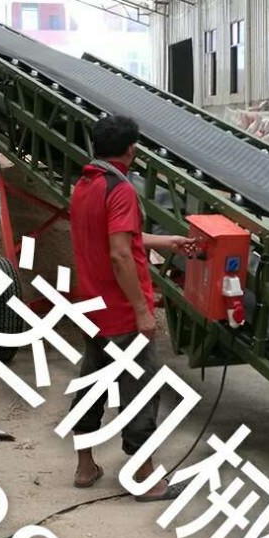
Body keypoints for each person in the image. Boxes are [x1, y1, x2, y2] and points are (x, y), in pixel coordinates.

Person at [67, 114, 195, 499]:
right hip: (121, 312)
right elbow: (120, 254)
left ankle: (85, 467)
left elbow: (118, 239)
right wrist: (142, 309)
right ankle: (145, 477)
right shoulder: (120, 189)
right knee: (140, 388)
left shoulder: (85, 185)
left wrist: (165, 241)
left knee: (92, 384)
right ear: (131, 149)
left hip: (92, 307)